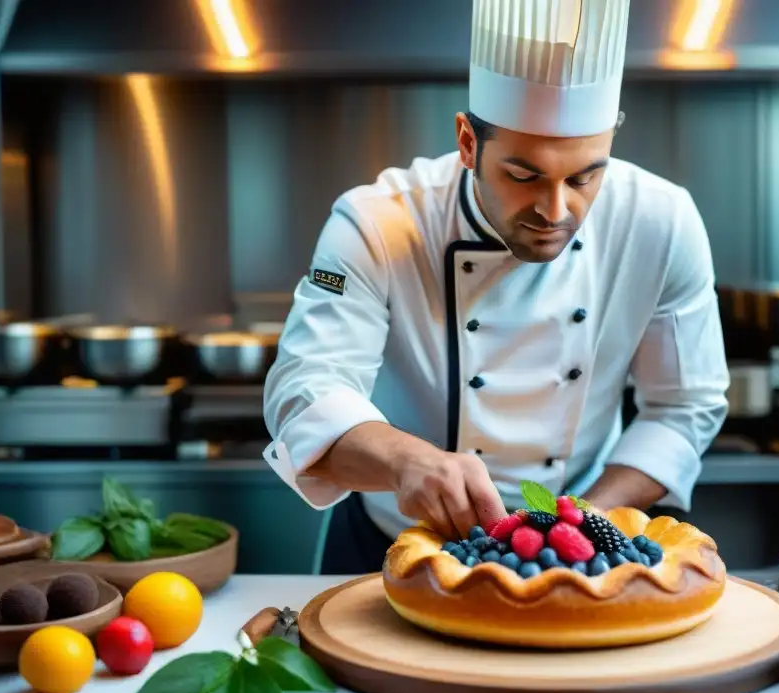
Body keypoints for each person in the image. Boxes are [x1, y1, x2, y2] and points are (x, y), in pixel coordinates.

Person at [262, 0, 730, 575]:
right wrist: (407, 460)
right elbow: (305, 389)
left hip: (577, 552)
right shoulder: (376, 223)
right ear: (467, 142)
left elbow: (684, 407)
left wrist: (580, 527)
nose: (556, 210)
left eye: (585, 176)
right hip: (392, 546)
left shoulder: (661, 221)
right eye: (523, 175)